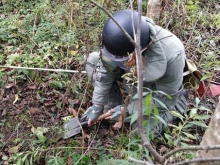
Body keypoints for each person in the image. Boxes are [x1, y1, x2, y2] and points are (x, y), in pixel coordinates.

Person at [83, 9, 187, 137]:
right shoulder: (116, 40)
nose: (119, 62)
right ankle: (111, 106)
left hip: (154, 89)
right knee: (93, 61)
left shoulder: (173, 54)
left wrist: (128, 110)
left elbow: (165, 98)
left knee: (139, 133)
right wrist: (98, 104)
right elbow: (103, 70)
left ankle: (179, 104)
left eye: (123, 59)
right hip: (133, 79)